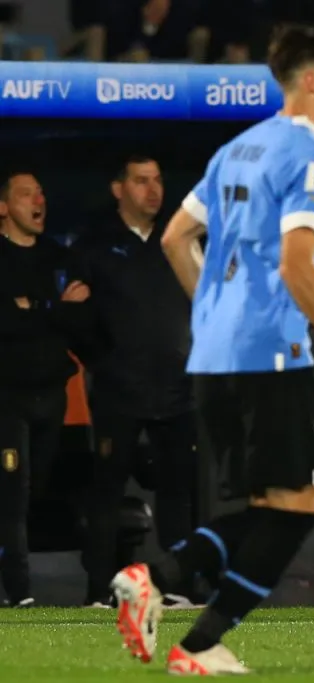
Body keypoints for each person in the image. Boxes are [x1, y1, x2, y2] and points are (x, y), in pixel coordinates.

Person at [108, 25, 314, 675]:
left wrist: (215, 315)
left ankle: (166, 596)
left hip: (213, 357)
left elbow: (175, 237)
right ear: (311, 80)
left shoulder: (237, 149)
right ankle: (185, 623)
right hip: (270, 355)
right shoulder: (313, 158)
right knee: (296, 512)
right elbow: (299, 263)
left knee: (270, 509)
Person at [75, 155, 199, 609]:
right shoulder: (94, 245)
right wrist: (105, 361)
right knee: (107, 493)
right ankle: (99, 592)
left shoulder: (177, 240)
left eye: (158, 181)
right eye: (141, 181)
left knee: (178, 496)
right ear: (118, 189)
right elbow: (75, 316)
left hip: (177, 391)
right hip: (117, 393)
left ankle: (177, 587)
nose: (152, 190)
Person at [0, 171, 99, 607]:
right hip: (7, 397)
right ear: (3, 207)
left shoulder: (59, 258)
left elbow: (81, 319)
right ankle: (19, 595)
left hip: (51, 396)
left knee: (34, 491)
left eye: (41, 192)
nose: (38, 200)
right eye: (26, 194)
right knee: (13, 495)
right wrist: (55, 310)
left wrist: (34, 310)